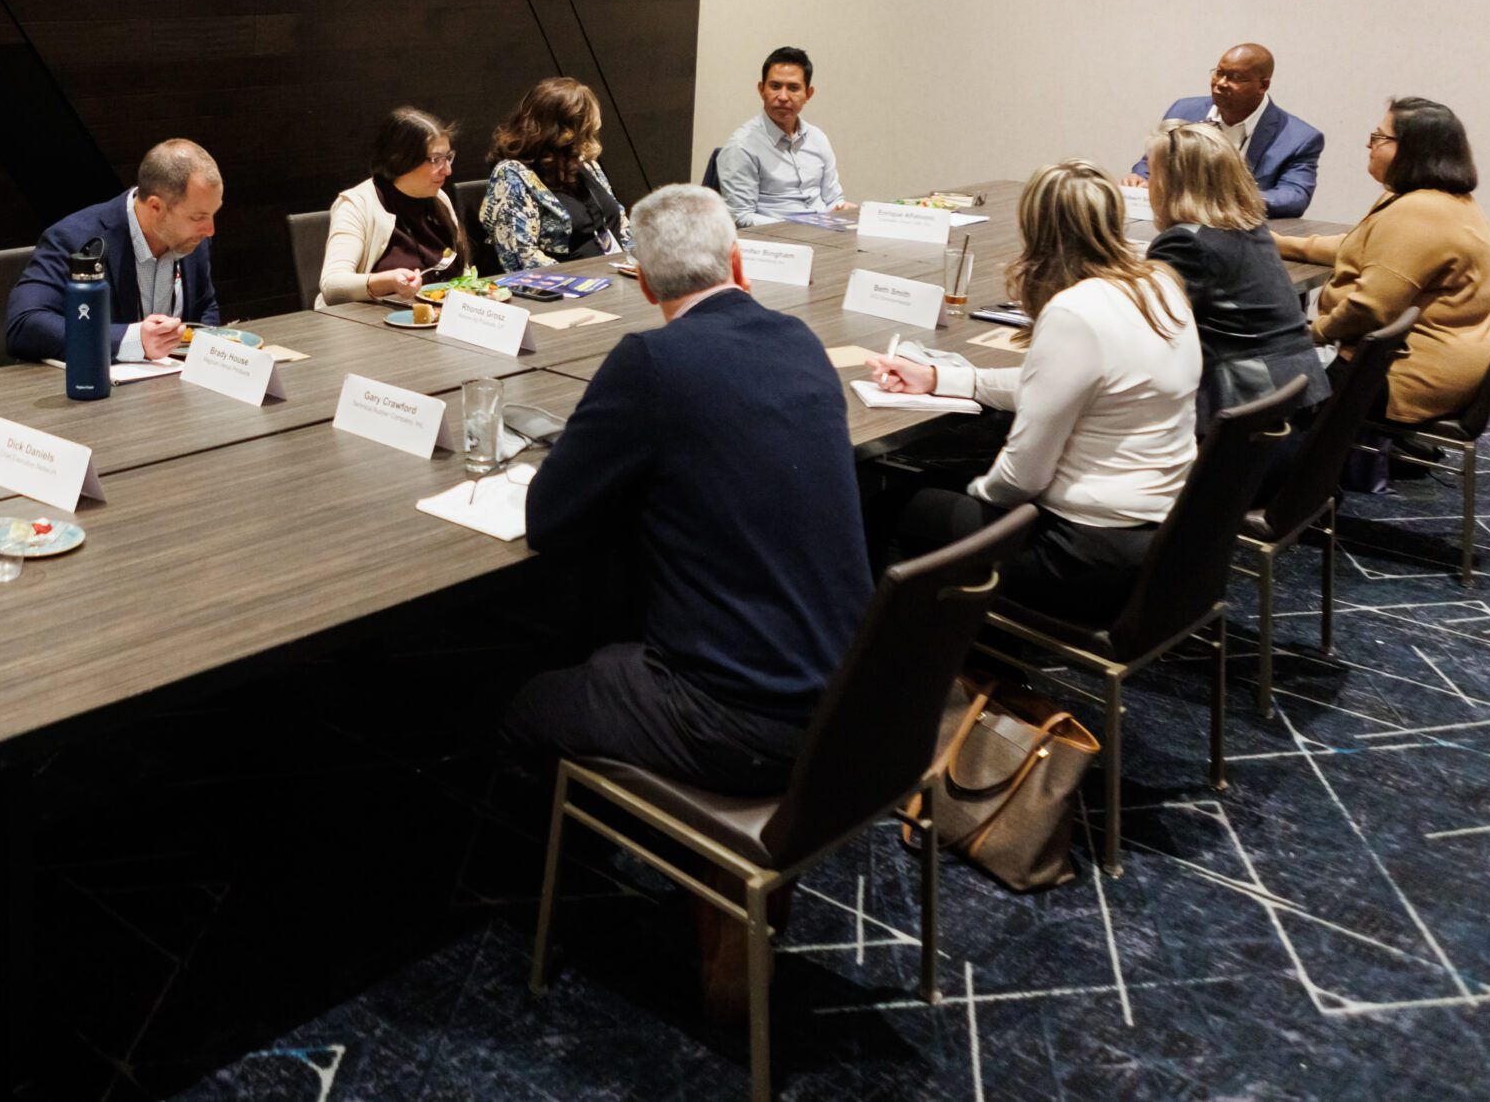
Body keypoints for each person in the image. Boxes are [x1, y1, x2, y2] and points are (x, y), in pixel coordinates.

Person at [503, 184, 871, 796]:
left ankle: (564, 875)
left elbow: (548, 519)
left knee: (528, 703)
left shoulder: (650, 361)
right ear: (738, 263)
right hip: (854, 696)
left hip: (741, 723)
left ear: (645, 286)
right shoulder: (802, 341)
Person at [874, 161, 1200, 626]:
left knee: (894, 500)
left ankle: (913, 672)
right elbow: (1049, 385)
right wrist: (942, 378)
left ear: (1037, 228)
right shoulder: (1160, 284)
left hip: (1085, 557)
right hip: (1166, 542)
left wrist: (973, 490)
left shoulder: (1075, 312)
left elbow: (1020, 479)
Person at [1277, 97, 1490, 423]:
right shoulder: (1437, 199)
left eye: (1379, 137)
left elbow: (1370, 309)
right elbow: (1357, 248)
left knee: (1250, 378)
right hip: (1427, 360)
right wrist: (1278, 244)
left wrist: (1311, 334)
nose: (1369, 144)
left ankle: (1283, 469)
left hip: (1405, 376)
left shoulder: (1420, 213)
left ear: (1412, 149)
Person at [1143, 121, 1328, 426]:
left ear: (1172, 182)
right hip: (1296, 396)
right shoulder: (1252, 229)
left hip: (1241, 417)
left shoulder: (1185, 243)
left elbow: (1149, 332)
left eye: (1153, 174)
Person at [6, 139, 222, 363]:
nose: (210, 230)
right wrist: (130, 340)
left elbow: (204, 307)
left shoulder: (193, 239)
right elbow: (24, 324)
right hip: (99, 389)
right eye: (198, 217)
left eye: (213, 213)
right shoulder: (74, 238)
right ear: (156, 207)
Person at [1127, 43, 1323, 218]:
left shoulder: (1298, 138)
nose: (1220, 83)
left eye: (1235, 77)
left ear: (1263, 85)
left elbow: (1293, 196)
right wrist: (1140, 179)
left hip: (1239, 235)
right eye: (1219, 73)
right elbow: (1150, 162)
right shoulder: (1183, 111)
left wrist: (1221, 201)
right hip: (1174, 225)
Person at [318, 106, 471, 306]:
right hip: (375, 327)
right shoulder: (357, 205)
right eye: (435, 160)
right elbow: (332, 285)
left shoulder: (439, 198)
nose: (448, 170)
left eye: (448, 157)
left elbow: (463, 273)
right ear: (400, 160)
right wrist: (387, 281)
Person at [480, 77, 635, 270]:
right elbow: (520, 259)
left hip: (617, 277)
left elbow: (622, 225)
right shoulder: (512, 175)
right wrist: (583, 281)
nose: (591, 134)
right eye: (584, 129)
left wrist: (641, 264)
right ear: (563, 130)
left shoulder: (586, 165)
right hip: (568, 290)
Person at [714, 45, 852, 225]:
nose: (783, 96)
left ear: (808, 94)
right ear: (761, 90)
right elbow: (741, 217)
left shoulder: (818, 138)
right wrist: (799, 227)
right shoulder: (741, 146)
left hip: (824, 233)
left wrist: (842, 209)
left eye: (793, 88)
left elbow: (833, 199)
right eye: (775, 86)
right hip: (778, 242)